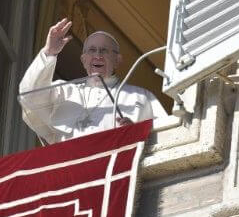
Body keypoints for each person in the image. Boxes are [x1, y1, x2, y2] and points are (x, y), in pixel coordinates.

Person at [19, 17, 168, 144]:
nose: (97, 56)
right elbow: (29, 96)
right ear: (83, 60)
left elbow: (166, 138)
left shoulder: (141, 97)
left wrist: (137, 134)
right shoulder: (64, 91)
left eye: (104, 50)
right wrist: (49, 52)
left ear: (117, 60)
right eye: (91, 50)